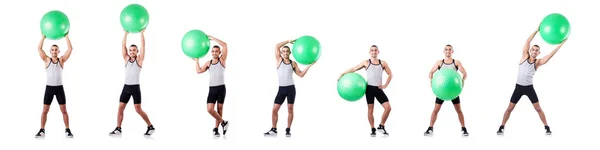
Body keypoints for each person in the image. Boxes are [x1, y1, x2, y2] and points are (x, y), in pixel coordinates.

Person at [496, 27, 568, 135]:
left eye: (536, 50)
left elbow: (550, 56)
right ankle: (502, 126)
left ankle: (546, 127)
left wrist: (561, 44)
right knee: (510, 108)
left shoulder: (537, 63)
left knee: (538, 108)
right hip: (519, 88)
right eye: (533, 49)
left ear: (539, 53)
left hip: (529, 88)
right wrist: (537, 30)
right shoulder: (524, 56)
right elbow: (527, 41)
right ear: (530, 51)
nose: (534, 51)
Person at [263, 39, 315, 137]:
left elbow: (301, 74)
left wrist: (309, 66)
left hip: (291, 89)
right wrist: (288, 41)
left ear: (290, 52)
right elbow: (276, 46)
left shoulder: (293, 63)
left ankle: (288, 129)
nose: (285, 53)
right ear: (281, 53)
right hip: (281, 89)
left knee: (290, 109)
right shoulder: (279, 60)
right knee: (274, 109)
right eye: (284, 51)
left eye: (287, 51)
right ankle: (274, 129)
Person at [339, 45, 393, 137]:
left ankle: (381, 126)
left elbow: (390, 74)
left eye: (375, 50)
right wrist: (342, 74)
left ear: (378, 52)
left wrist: (385, 85)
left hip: (378, 88)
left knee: (388, 108)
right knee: (370, 110)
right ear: (369, 52)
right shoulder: (366, 62)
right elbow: (354, 69)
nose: (374, 52)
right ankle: (372, 129)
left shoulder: (383, 63)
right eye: (372, 50)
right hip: (369, 89)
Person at [109, 29, 155, 136]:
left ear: (137, 51)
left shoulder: (139, 60)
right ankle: (118, 129)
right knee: (120, 108)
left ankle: (150, 126)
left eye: (134, 50)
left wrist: (142, 34)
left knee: (138, 109)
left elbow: (143, 46)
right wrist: (125, 34)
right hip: (126, 87)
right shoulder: (126, 59)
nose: (132, 52)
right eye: (130, 50)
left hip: (135, 88)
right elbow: (122, 46)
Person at [423, 44, 469, 136]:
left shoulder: (456, 63)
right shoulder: (440, 63)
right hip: (441, 91)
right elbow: (431, 72)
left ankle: (464, 128)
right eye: (446, 50)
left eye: (450, 50)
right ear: (444, 51)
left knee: (459, 110)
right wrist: (431, 80)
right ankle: (430, 128)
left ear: (452, 51)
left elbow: (464, 72)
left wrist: (463, 80)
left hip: (453, 91)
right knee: (436, 109)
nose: (448, 51)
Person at [35, 33, 74, 138]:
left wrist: (66, 37)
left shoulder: (61, 60)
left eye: (56, 50)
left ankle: (67, 130)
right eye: (52, 50)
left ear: (58, 51)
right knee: (45, 110)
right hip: (49, 88)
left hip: (59, 88)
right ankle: (42, 130)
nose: (54, 51)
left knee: (64, 110)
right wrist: (43, 37)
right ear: (50, 52)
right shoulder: (47, 60)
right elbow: (39, 49)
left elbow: (70, 49)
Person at [193, 35, 230, 137]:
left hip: (221, 88)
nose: (214, 53)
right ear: (211, 52)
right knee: (210, 109)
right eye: (213, 51)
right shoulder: (208, 63)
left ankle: (216, 129)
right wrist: (197, 61)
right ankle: (224, 122)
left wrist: (213, 38)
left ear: (219, 53)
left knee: (219, 109)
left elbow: (225, 45)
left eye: (216, 51)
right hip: (212, 89)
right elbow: (199, 71)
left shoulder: (222, 60)